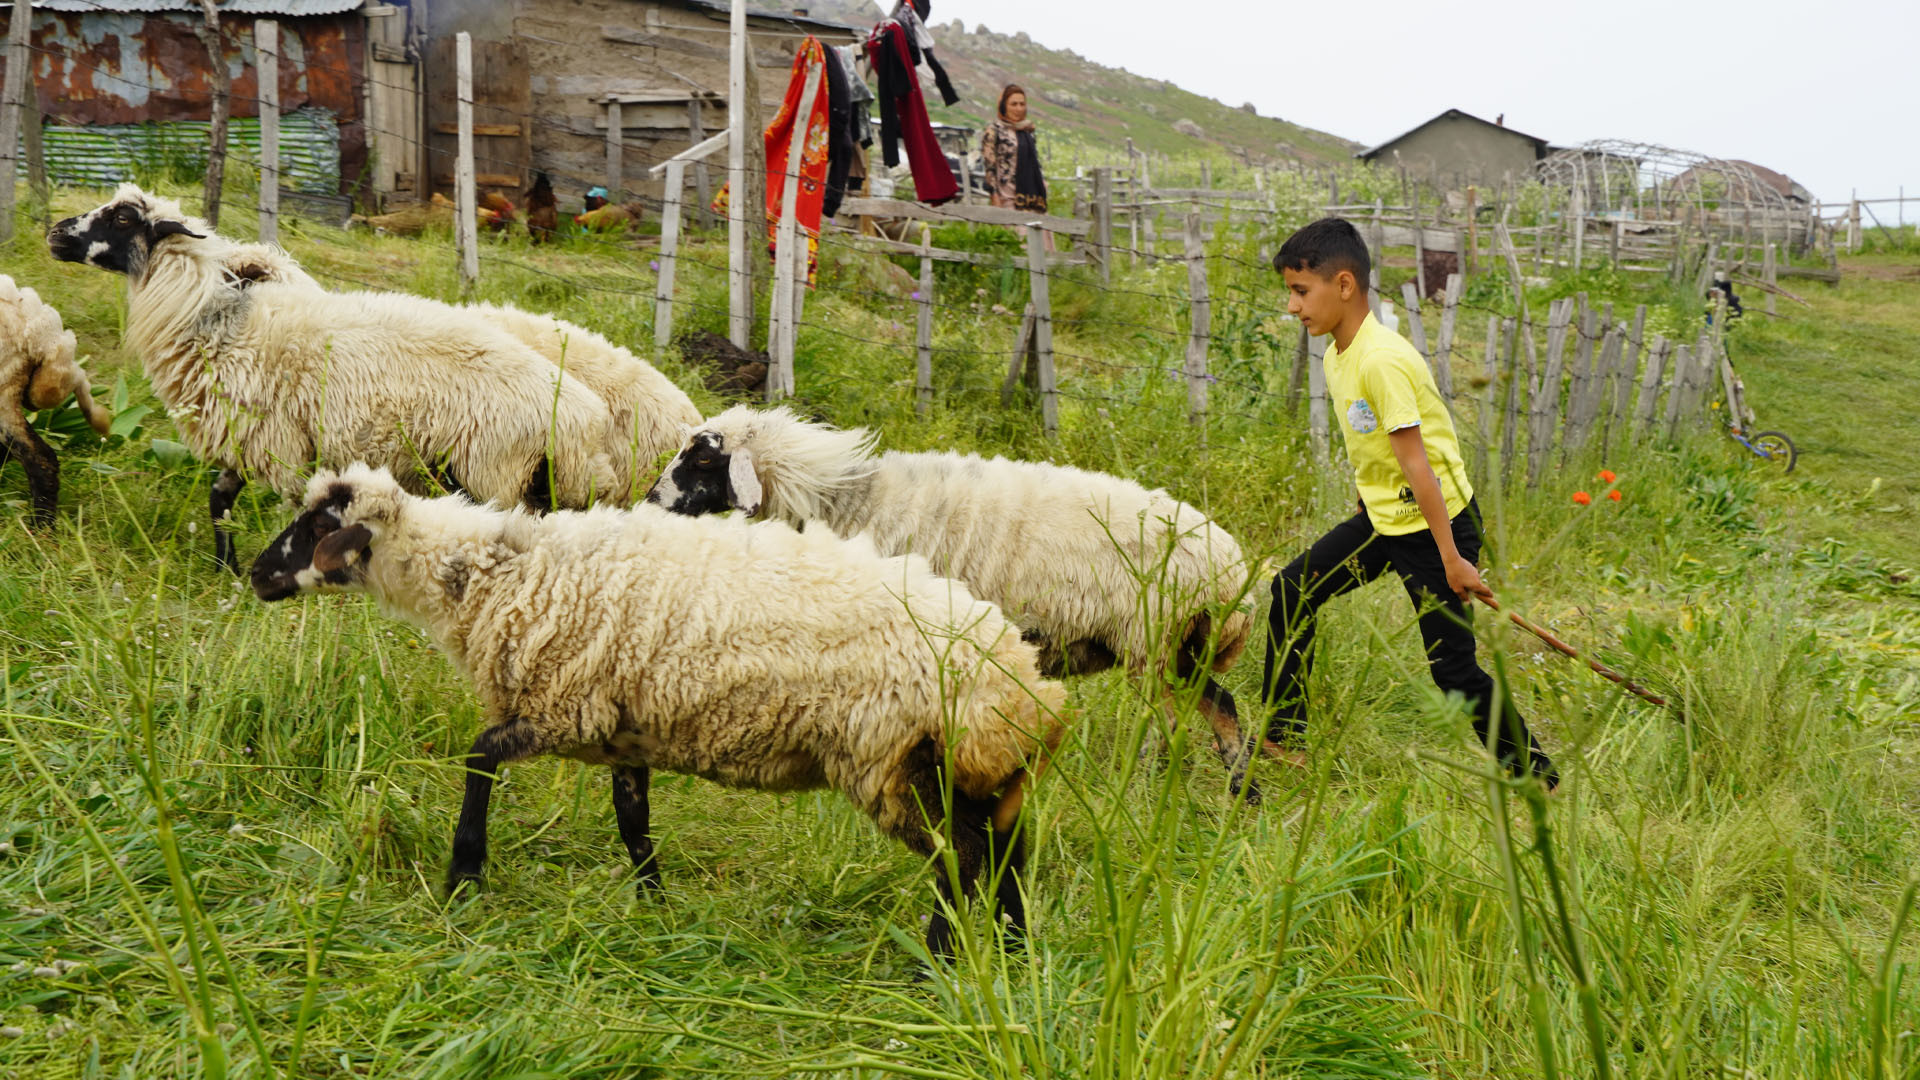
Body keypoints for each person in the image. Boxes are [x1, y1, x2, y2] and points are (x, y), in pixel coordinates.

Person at [1262, 218, 1558, 789]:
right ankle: (1284, 739)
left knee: (1454, 673)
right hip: (1383, 521)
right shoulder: (1339, 354)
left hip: (1435, 528)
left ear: (1344, 284)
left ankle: (1537, 779)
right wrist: (1365, 498)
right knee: (1292, 592)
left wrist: (1452, 559)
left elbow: (1419, 465)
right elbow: (1372, 441)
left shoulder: (1381, 360)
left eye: (1300, 291)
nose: (1292, 306)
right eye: (1290, 292)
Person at [981, 84, 1049, 217]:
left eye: (1022, 104)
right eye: (1013, 104)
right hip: (1007, 197)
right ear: (1003, 106)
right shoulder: (994, 131)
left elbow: (1035, 165)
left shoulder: (1028, 131)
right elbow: (990, 167)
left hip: (1033, 199)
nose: (1019, 109)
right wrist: (994, 196)